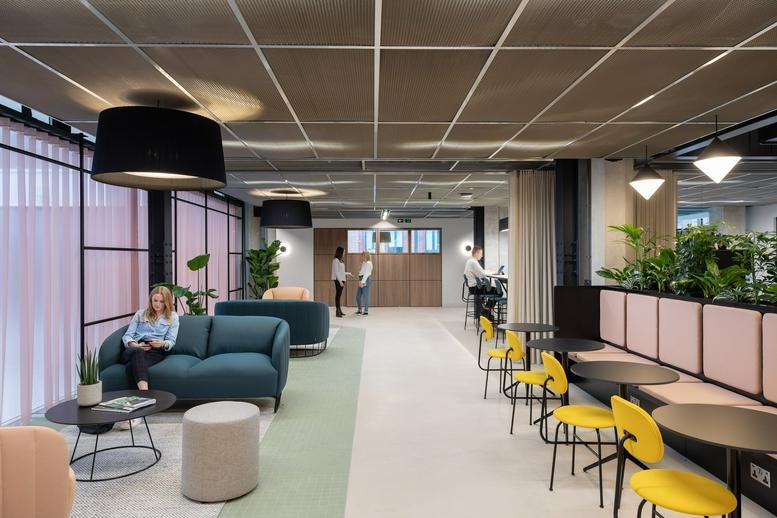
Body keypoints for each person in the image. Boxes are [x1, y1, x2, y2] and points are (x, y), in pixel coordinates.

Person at [121, 286, 179, 390]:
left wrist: (162, 344)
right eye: (155, 300)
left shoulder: (173, 317)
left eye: (161, 301)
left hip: (155, 351)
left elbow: (171, 341)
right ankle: (145, 394)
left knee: (131, 367)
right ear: (150, 300)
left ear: (167, 302)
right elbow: (127, 336)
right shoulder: (140, 314)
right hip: (134, 348)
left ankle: (135, 400)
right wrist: (136, 345)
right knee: (138, 352)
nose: (157, 304)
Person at [464, 246, 498, 320]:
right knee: (498, 292)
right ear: (476, 253)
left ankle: (486, 310)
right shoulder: (473, 262)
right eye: (481, 253)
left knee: (495, 291)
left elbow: (480, 272)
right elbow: (482, 274)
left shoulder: (470, 261)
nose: (482, 255)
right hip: (476, 288)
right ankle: (486, 310)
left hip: (473, 287)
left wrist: (487, 271)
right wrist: (492, 272)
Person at [331, 246, 352, 317]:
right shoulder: (335, 260)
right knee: (338, 295)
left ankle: (339, 310)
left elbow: (342, 272)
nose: (344, 253)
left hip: (342, 279)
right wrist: (340, 281)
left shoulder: (341, 260)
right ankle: (337, 311)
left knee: (339, 296)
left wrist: (348, 273)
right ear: (340, 252)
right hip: (338, 280)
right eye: (344, 252)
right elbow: (336, 272)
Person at [355, 251, 373, 316]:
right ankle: (359, 310)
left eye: (363, 255)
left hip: (365, 279)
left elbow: (366, 274)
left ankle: (366, 311)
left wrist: (362, 282)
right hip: (361, 279)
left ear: (366, 255)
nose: (361, 257)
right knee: (358, 296)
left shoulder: (369, 263)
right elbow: (362, 272)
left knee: (366, 296)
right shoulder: (364, 263)